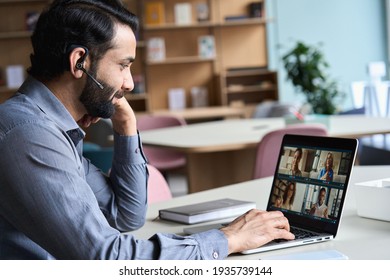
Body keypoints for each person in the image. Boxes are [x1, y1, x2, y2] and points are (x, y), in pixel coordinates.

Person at [0, 0, 294, 260]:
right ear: (79, 61)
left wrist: (126, 125)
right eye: (123, 66)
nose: (128, 84)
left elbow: (126, 215)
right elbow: (107, 258)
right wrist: (226, 239)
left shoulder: (51, 128)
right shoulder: (28, 134)